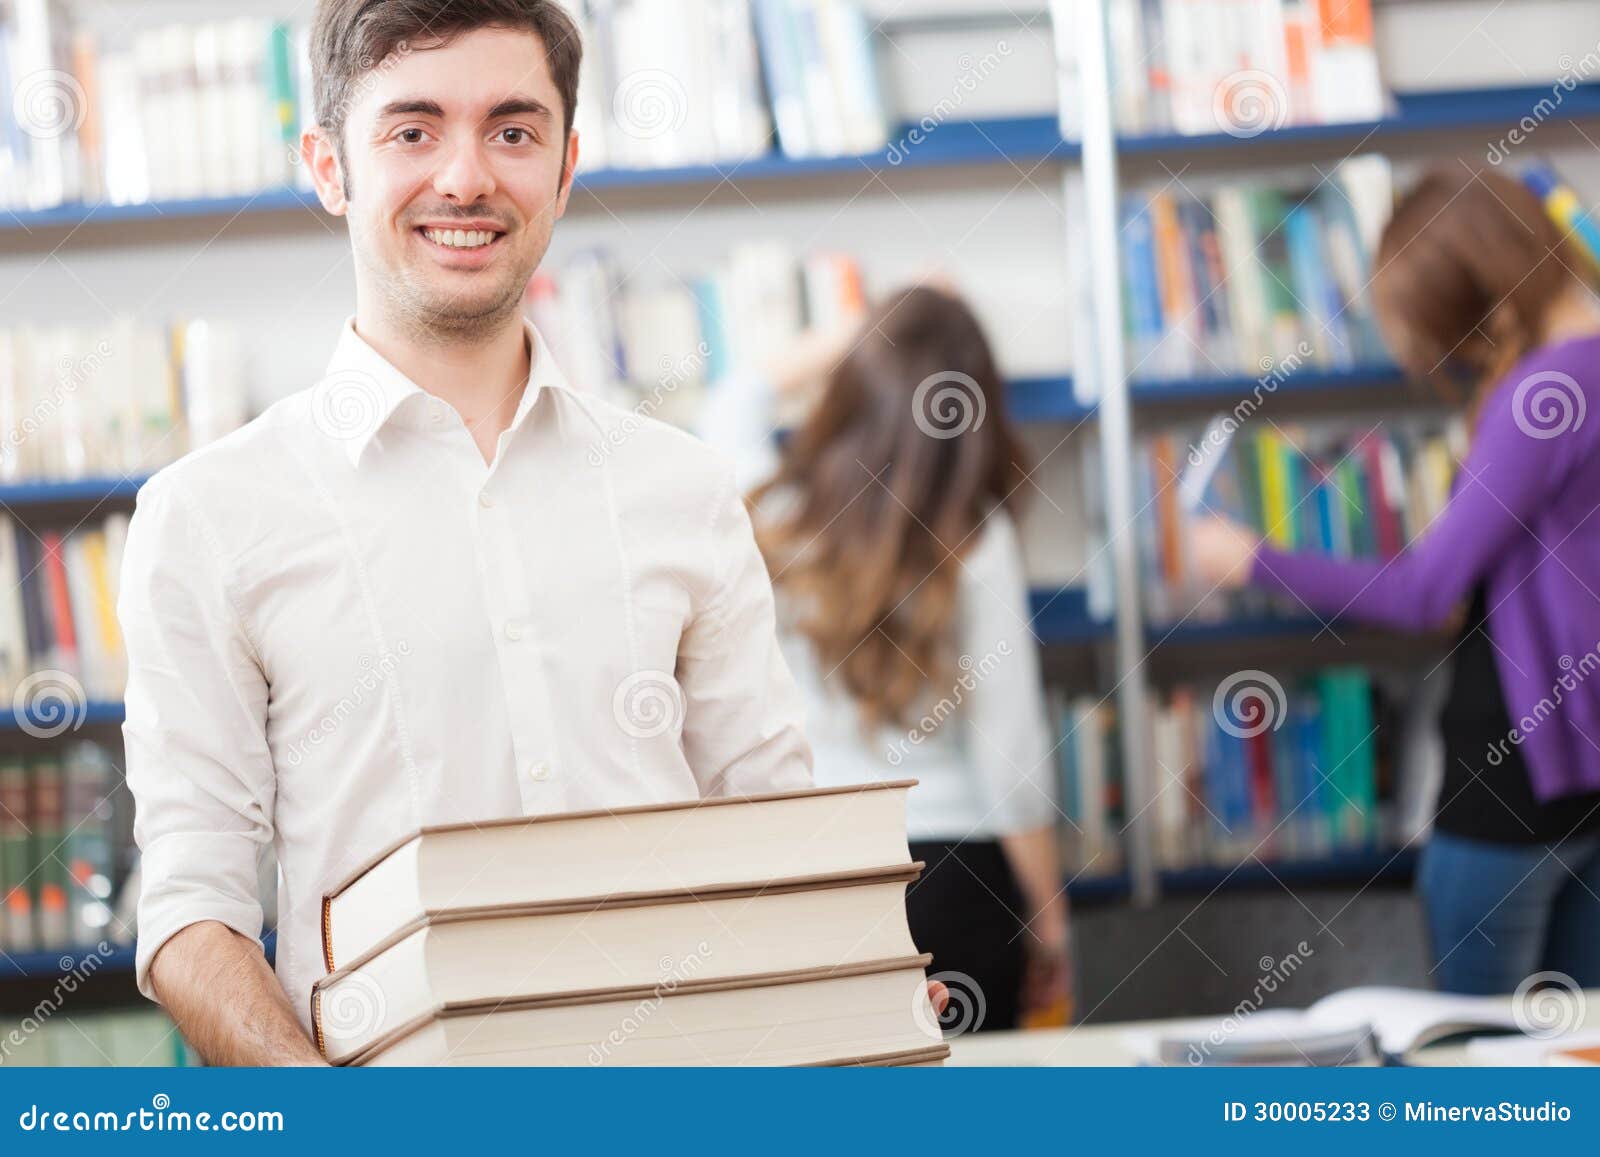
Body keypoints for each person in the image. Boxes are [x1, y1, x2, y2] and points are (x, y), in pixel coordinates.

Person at [119, 0, 820, 1065]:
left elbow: (779, 840)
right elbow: (189, 905)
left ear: (566, 165)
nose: (465, 178)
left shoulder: (682, 488)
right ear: (328, 167)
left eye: (513, 129)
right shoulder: (209, 515)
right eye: (412, 130)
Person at [1190, 166, 1600, 995]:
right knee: (1577, 1051)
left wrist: (1254, 560)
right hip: (1584, 782)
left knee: (1470, 1062)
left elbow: (1424, 594)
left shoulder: (1540, 394)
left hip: (1514, 787)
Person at [700, 285, 1073, 1030]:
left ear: (848, 390)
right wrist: (1052, 924)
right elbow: (1013, 763)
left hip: (816, 875)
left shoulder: (772, 511)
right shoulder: (978, 539)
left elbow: (733, 397)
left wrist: (859, 332)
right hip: (959, 876)